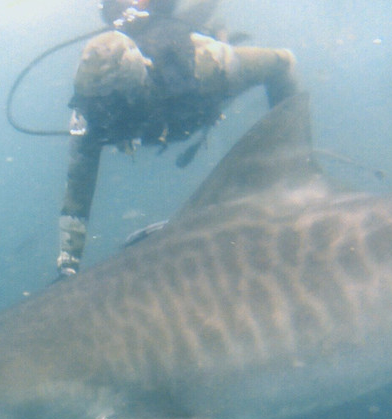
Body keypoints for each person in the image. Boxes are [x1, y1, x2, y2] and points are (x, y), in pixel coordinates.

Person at [56, 0, 298, 276]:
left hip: (196, 89)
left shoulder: (205, 63)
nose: (111, 110)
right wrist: (68, 264)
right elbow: (78, 190)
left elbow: (283, 62)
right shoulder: (92, 115)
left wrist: (291, 169)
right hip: (178, 112)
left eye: (120, 100)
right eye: (103, 104)